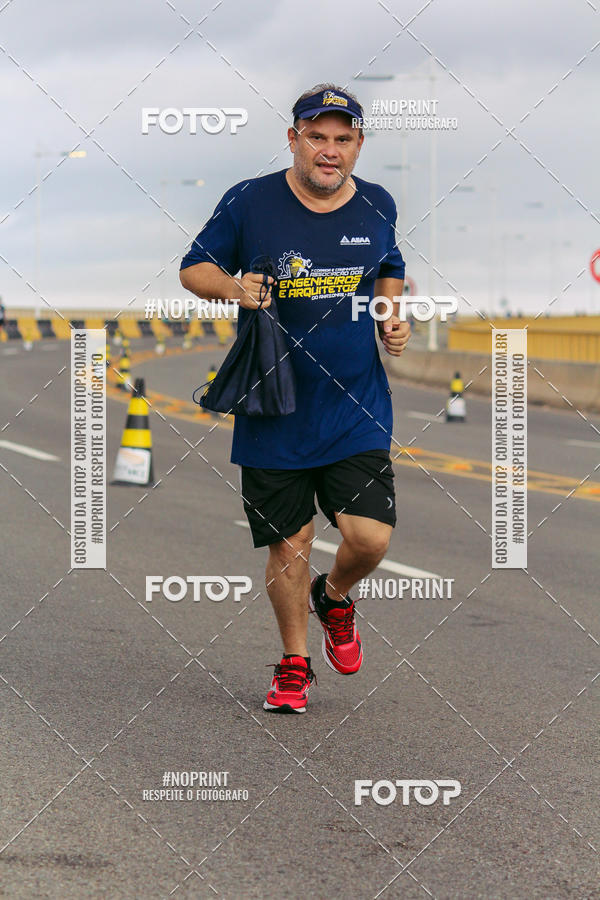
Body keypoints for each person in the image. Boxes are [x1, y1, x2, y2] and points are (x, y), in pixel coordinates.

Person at [180, 83, 410, 713]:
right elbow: (191, 269)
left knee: (370, 539)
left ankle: (335, 598)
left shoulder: (379, 204)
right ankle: (294, 662)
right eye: (317, 137)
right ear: (294, 139)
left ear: (358, 145)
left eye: (343, 139)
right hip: (273, 402)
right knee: (291, 542)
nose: (329, 151)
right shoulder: (250, 200)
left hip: (354, 405)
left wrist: (392, 315)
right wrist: (234, 288)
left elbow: (389, 266)